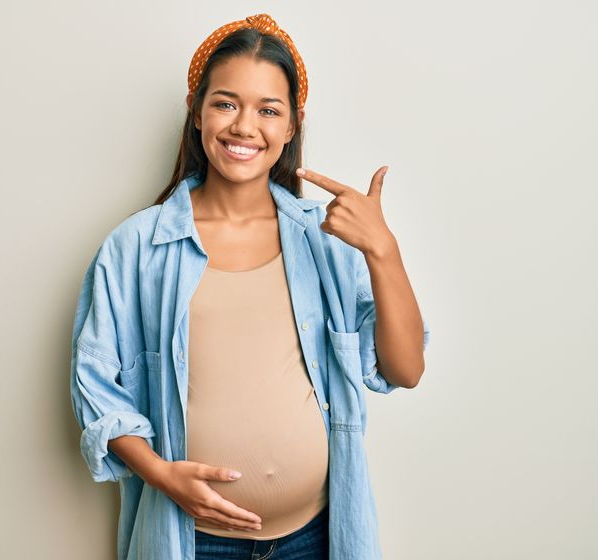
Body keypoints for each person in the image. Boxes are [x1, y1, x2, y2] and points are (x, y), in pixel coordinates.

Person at [70, 13, 431, 560]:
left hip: (315, 538)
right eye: (225, 103)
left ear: (291, 126)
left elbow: (405, 370)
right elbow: (95, 386)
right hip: (194, 541)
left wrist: (384, 250)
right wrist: (162, 475)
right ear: (196, 112)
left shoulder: (327, 240)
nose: (244, 126)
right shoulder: (136, 246)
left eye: (268, 109)